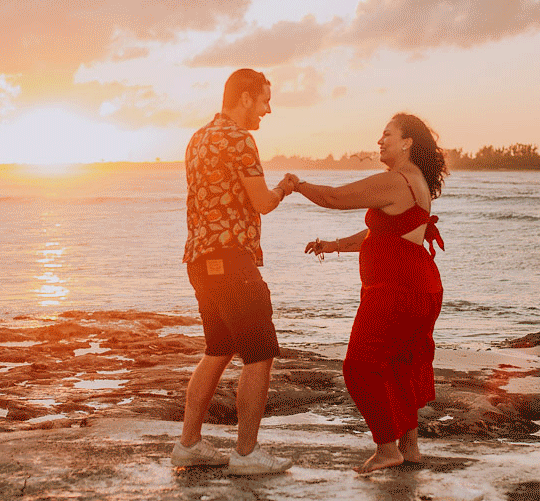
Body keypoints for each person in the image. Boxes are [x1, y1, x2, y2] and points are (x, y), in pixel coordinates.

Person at [289, 113, 447, 473]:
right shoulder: (415, 181)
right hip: (418, 286)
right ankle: (409, 447)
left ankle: (387, 448)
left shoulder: (396, 180)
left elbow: (334, 197)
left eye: (387, 134)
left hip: (396, 288)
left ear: (406, 143)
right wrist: (334, 246)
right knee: (400, 365)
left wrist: (298, 185)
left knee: (359, 366)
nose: (379, 141)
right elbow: (383, 234)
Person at [175, 68, 300, 475]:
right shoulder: (240, 139)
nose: (268, 110)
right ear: (245, 98)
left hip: (200, 259)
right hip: (231, 260)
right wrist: (285, 187)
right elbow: (262, 202)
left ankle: (189, 444)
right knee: (259, 353)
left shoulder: (198, 138)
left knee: (218, 349)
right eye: (265, 100)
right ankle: (246, 454)